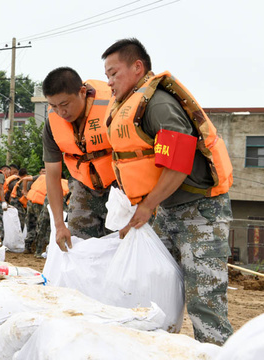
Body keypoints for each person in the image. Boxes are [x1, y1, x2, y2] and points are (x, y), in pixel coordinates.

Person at [101, 38, 234, 345]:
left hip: (201, 213)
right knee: (155, 290)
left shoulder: (157, 104)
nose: (109, 82)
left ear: (137, 67)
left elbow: (178, 164)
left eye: (114, 73)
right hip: (168, 209)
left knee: (205, 305)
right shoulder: (132, 105)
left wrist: (147, 206)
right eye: (106, 75)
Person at [42, 67, 116, 252]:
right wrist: (59, 225)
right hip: (84, 185)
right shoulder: (52, 124)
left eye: (64, 104)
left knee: (123, 247)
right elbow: (52, 175)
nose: (61, 112)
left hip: (119, 186)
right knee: (78, 246)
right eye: (53, 106)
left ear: (82, 92)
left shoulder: (113, 106)